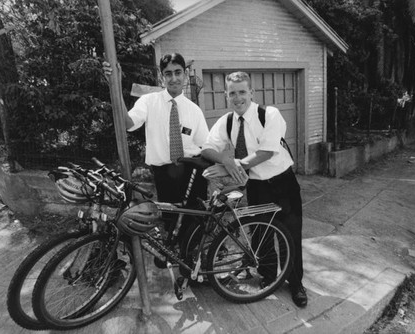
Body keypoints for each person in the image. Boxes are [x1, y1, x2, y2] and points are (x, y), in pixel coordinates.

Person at [201, 71, 308, 307]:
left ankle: (296, 283)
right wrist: (226, 161)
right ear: (226, 96)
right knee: (261, 235)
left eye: (242, 92)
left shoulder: (270, 114)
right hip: (258, 186)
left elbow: (268, 150)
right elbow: (206, 148)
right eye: (232, 93)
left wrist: (234, 165)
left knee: (290, 235)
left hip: (283, 183)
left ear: (251, 92)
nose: (237, 97)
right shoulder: (227, 121)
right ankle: (269, 276)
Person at [103, 53, 209, 229]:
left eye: (178, 72)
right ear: (162, 76)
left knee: (194, 224)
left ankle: (192, 255)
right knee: (169, 223)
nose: (174, 78)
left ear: (184, 74)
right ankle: (172, 254)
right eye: (168, 73)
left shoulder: (194, 111)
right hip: (165, 174)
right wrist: (115, 86)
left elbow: (205, 146)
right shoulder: (149, 101)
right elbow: (127, 124)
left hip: (192, 173)